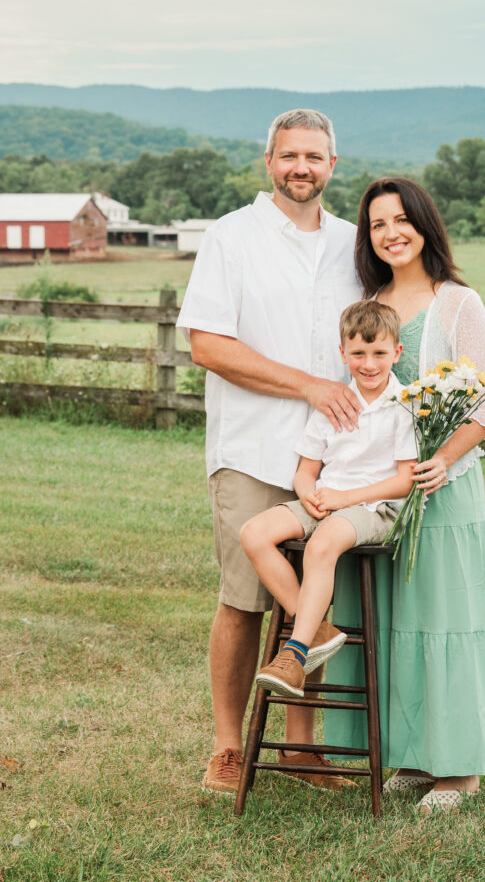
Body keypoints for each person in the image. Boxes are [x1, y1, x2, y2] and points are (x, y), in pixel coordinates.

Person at [176, 109, 362, 795]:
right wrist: (309, 386)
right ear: (268, 162)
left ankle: (302, 746)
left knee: (307, 600)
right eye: (288, 156)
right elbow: (208, 346)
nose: (300, 168)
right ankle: (228, 747)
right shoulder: (232, 237)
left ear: (332, 166)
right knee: (243, 600)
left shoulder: (352, 243)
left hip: (335, 460)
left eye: (313, 157)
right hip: (252, 449)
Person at [324, 177, 485, 813]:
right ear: (367, 236)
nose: (391, 232)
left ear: (425, 224)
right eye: (378, 224)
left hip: (443, 488)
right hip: (379, 492)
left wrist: (442, 460)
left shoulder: (458, 303)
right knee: (393, 621)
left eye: (402, 219)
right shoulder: (369, 301)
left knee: (445, 619)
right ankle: (410, 751)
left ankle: (458, 770)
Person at [240, 300, 417, 699]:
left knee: (321, 543)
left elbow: (405, 481)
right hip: (329, 499)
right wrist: (309, 495)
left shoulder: (405, 404)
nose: (368, 364)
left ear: (397, 353)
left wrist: (344, 498)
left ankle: (295, 654)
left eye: (379, 354)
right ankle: (315, 625)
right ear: (343, 353)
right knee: (255, 533)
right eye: (358, 354)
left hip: (375, 507)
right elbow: (305, 471)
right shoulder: (334, 403)